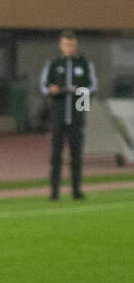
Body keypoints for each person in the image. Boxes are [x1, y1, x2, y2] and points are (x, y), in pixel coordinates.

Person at [40, 30, 97, 200]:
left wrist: (77, 91)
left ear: (76, 45)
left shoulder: (84, 64)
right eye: (66, 44)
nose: (69, 48)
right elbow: (44, 87)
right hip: (57, 115)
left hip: (77, 114)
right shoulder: (53, 63)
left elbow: (91, 88)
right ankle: (54, 191)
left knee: (76, 155)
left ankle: (76, 190)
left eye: (72, 45)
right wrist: (53, 90)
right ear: (61, 45)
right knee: (56, 155)